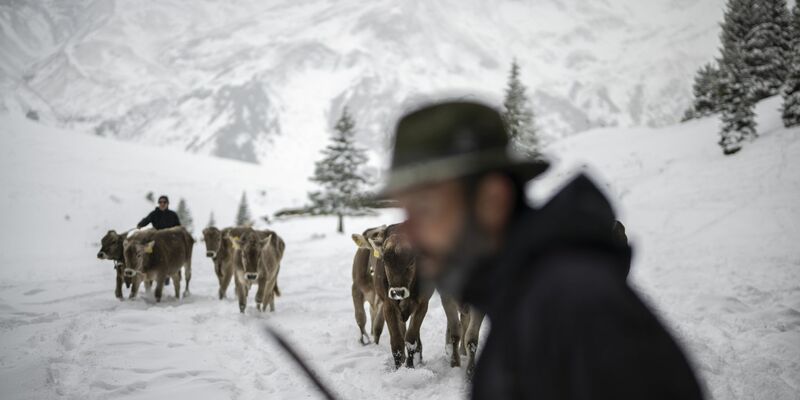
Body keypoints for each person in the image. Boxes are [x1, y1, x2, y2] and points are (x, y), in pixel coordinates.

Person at [379, 101, 704, 399]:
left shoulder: (579, 311)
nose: (410, 235)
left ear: (492, 200)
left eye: (424, 210)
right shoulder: (526, 300)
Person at [136, 195, 181, 285]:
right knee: (146, 250)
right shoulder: (154, 214)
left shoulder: (172, 215)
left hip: (169, 239)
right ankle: (146, 271)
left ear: (167, 204)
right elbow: (146, 220)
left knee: (173, 255)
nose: (162, 204)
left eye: (164, 202)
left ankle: (169, 274)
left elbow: (178, 227)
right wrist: (140, 224)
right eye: (160, 202)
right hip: (156, 239)